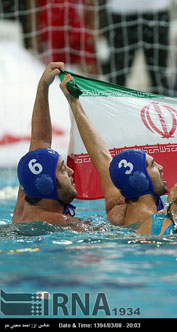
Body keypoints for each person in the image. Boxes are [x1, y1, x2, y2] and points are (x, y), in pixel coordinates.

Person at [58, 74, 168, 226]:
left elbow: (101, 156)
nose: (161, 168)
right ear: (140, 180)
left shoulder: (116, 209)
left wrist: (74, 102)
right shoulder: (161, 221)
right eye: (153, 165)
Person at [12, 62, 81, 227]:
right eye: (63, 169)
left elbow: (40, 142)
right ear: (47, 184)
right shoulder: (67, 225)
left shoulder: (21, 212)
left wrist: (43, 86)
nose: (71, 171)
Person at [92, 0, 171, 94]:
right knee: (156, 77)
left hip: (136, 11)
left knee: (121, 76)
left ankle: (116, 111)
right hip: (136, 12)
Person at [23, 0, 98, 75]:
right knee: (54, 78)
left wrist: (93, 29)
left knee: (92, 75)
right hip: (51, 33)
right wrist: (34, 35)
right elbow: (33, 3)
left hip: (79, 29)